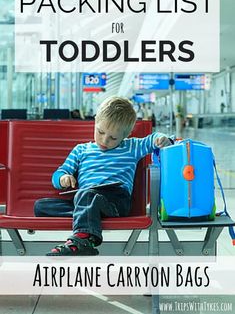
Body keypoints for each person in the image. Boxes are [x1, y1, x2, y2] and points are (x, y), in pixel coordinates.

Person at [34, 97, 173, 256]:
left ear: (125, 135)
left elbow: (152, 140)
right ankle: (88, 217)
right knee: (41, 206)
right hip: (85, 199)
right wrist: (63, 179)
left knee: (86, 195)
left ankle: (83, 239)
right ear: (95, 122)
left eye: (113, 138)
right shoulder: (81, 150)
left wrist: (163, 139)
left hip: (115, 201)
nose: (105, 140)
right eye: (100, 132)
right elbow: (60, 173)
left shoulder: (131, 147)